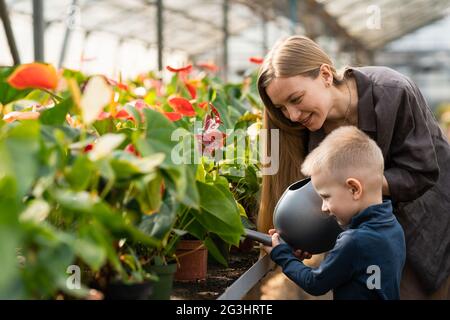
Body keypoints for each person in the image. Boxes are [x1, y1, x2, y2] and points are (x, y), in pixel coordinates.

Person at [257, 35, 450, 299]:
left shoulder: (391, 91)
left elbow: (422, 171)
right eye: (282, 107)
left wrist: (356, 182)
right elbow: (325, 196)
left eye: (297, 98)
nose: (292, 115)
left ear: (325, 75)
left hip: (428, 219)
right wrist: (301, 235)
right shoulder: (301, 123)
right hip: (370, 234)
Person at [265, 126, 405, 299]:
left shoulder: (353, 242)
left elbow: (315, 283)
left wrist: (283, 256)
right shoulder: (393, 228)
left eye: (326, 197)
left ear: (354, 189)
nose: (324, 207)